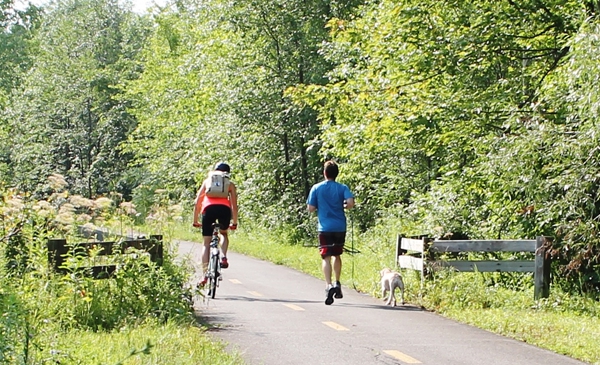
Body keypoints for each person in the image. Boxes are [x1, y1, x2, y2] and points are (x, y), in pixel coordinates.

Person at [306, 160, 355, 305]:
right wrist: (344, 205)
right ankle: (337, 282)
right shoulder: (342, 187)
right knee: (337, 255)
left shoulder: (317, 188)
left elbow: (310, 208)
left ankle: (328, 285)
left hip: (324, 227)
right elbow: (350, 203)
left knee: (326, 257)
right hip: (340, 226)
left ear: (324, 173)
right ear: (336, 173)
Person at [192, 162, 239, 287]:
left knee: (206, 244)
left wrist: (195, 220)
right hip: (224, 210)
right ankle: (223, 256)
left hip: (208, 210)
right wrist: (234, 222)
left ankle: (204, 276)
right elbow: (234, 206)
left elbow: (198, 202)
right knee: (223, 233)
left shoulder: (207, 181)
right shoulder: (229, 184)